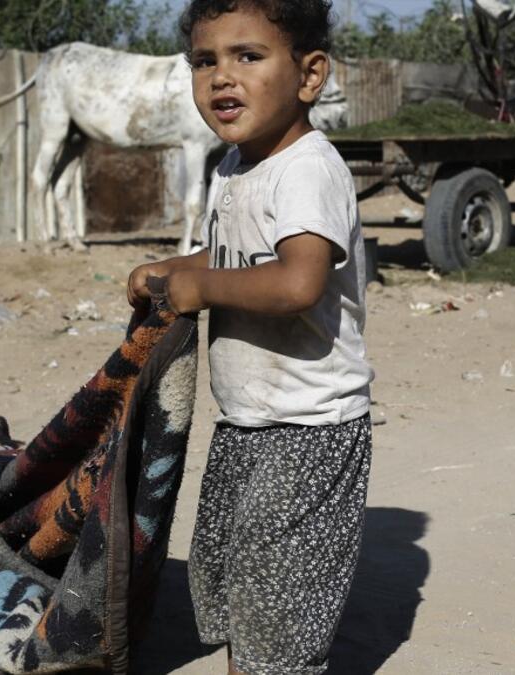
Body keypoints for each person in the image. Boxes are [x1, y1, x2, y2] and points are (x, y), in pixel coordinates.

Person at [126, 0, 373, 672]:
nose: (221, 78)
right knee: (242, 585)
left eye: (248, 56)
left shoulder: (306, 169)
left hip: (309, 430)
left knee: (279, 598)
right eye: (205, 61)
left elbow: (297, 282)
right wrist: (171, 271)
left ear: (310, 74)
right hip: (247, 424)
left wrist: (199, 289)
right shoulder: (235, 167)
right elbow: (228, 255)